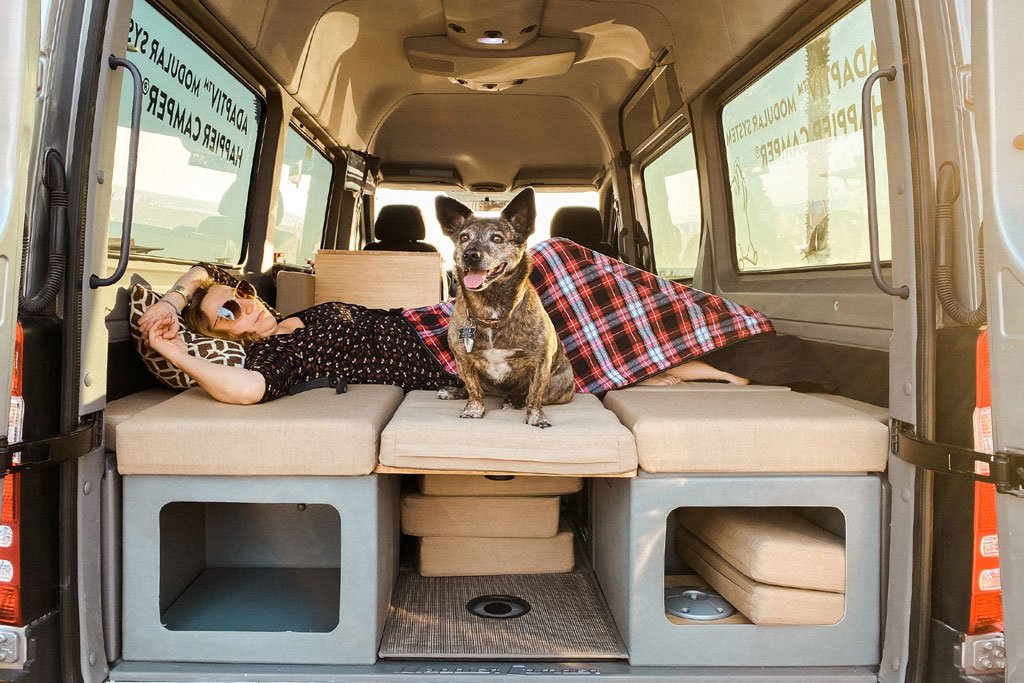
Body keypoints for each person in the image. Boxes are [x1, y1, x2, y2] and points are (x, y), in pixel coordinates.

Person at [139, 239, 767, 404]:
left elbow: (205, 268)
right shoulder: (270, 358)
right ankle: (685, 360)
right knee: (547, 303)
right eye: (230, 310)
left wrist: (178, 296)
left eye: (243, 291)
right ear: (221, 336)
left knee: (552, 265)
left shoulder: (291, 319)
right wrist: (175, 348)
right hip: (443, 353)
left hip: (441, 318)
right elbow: (244, 391)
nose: (246, 301)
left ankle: (702, 330)